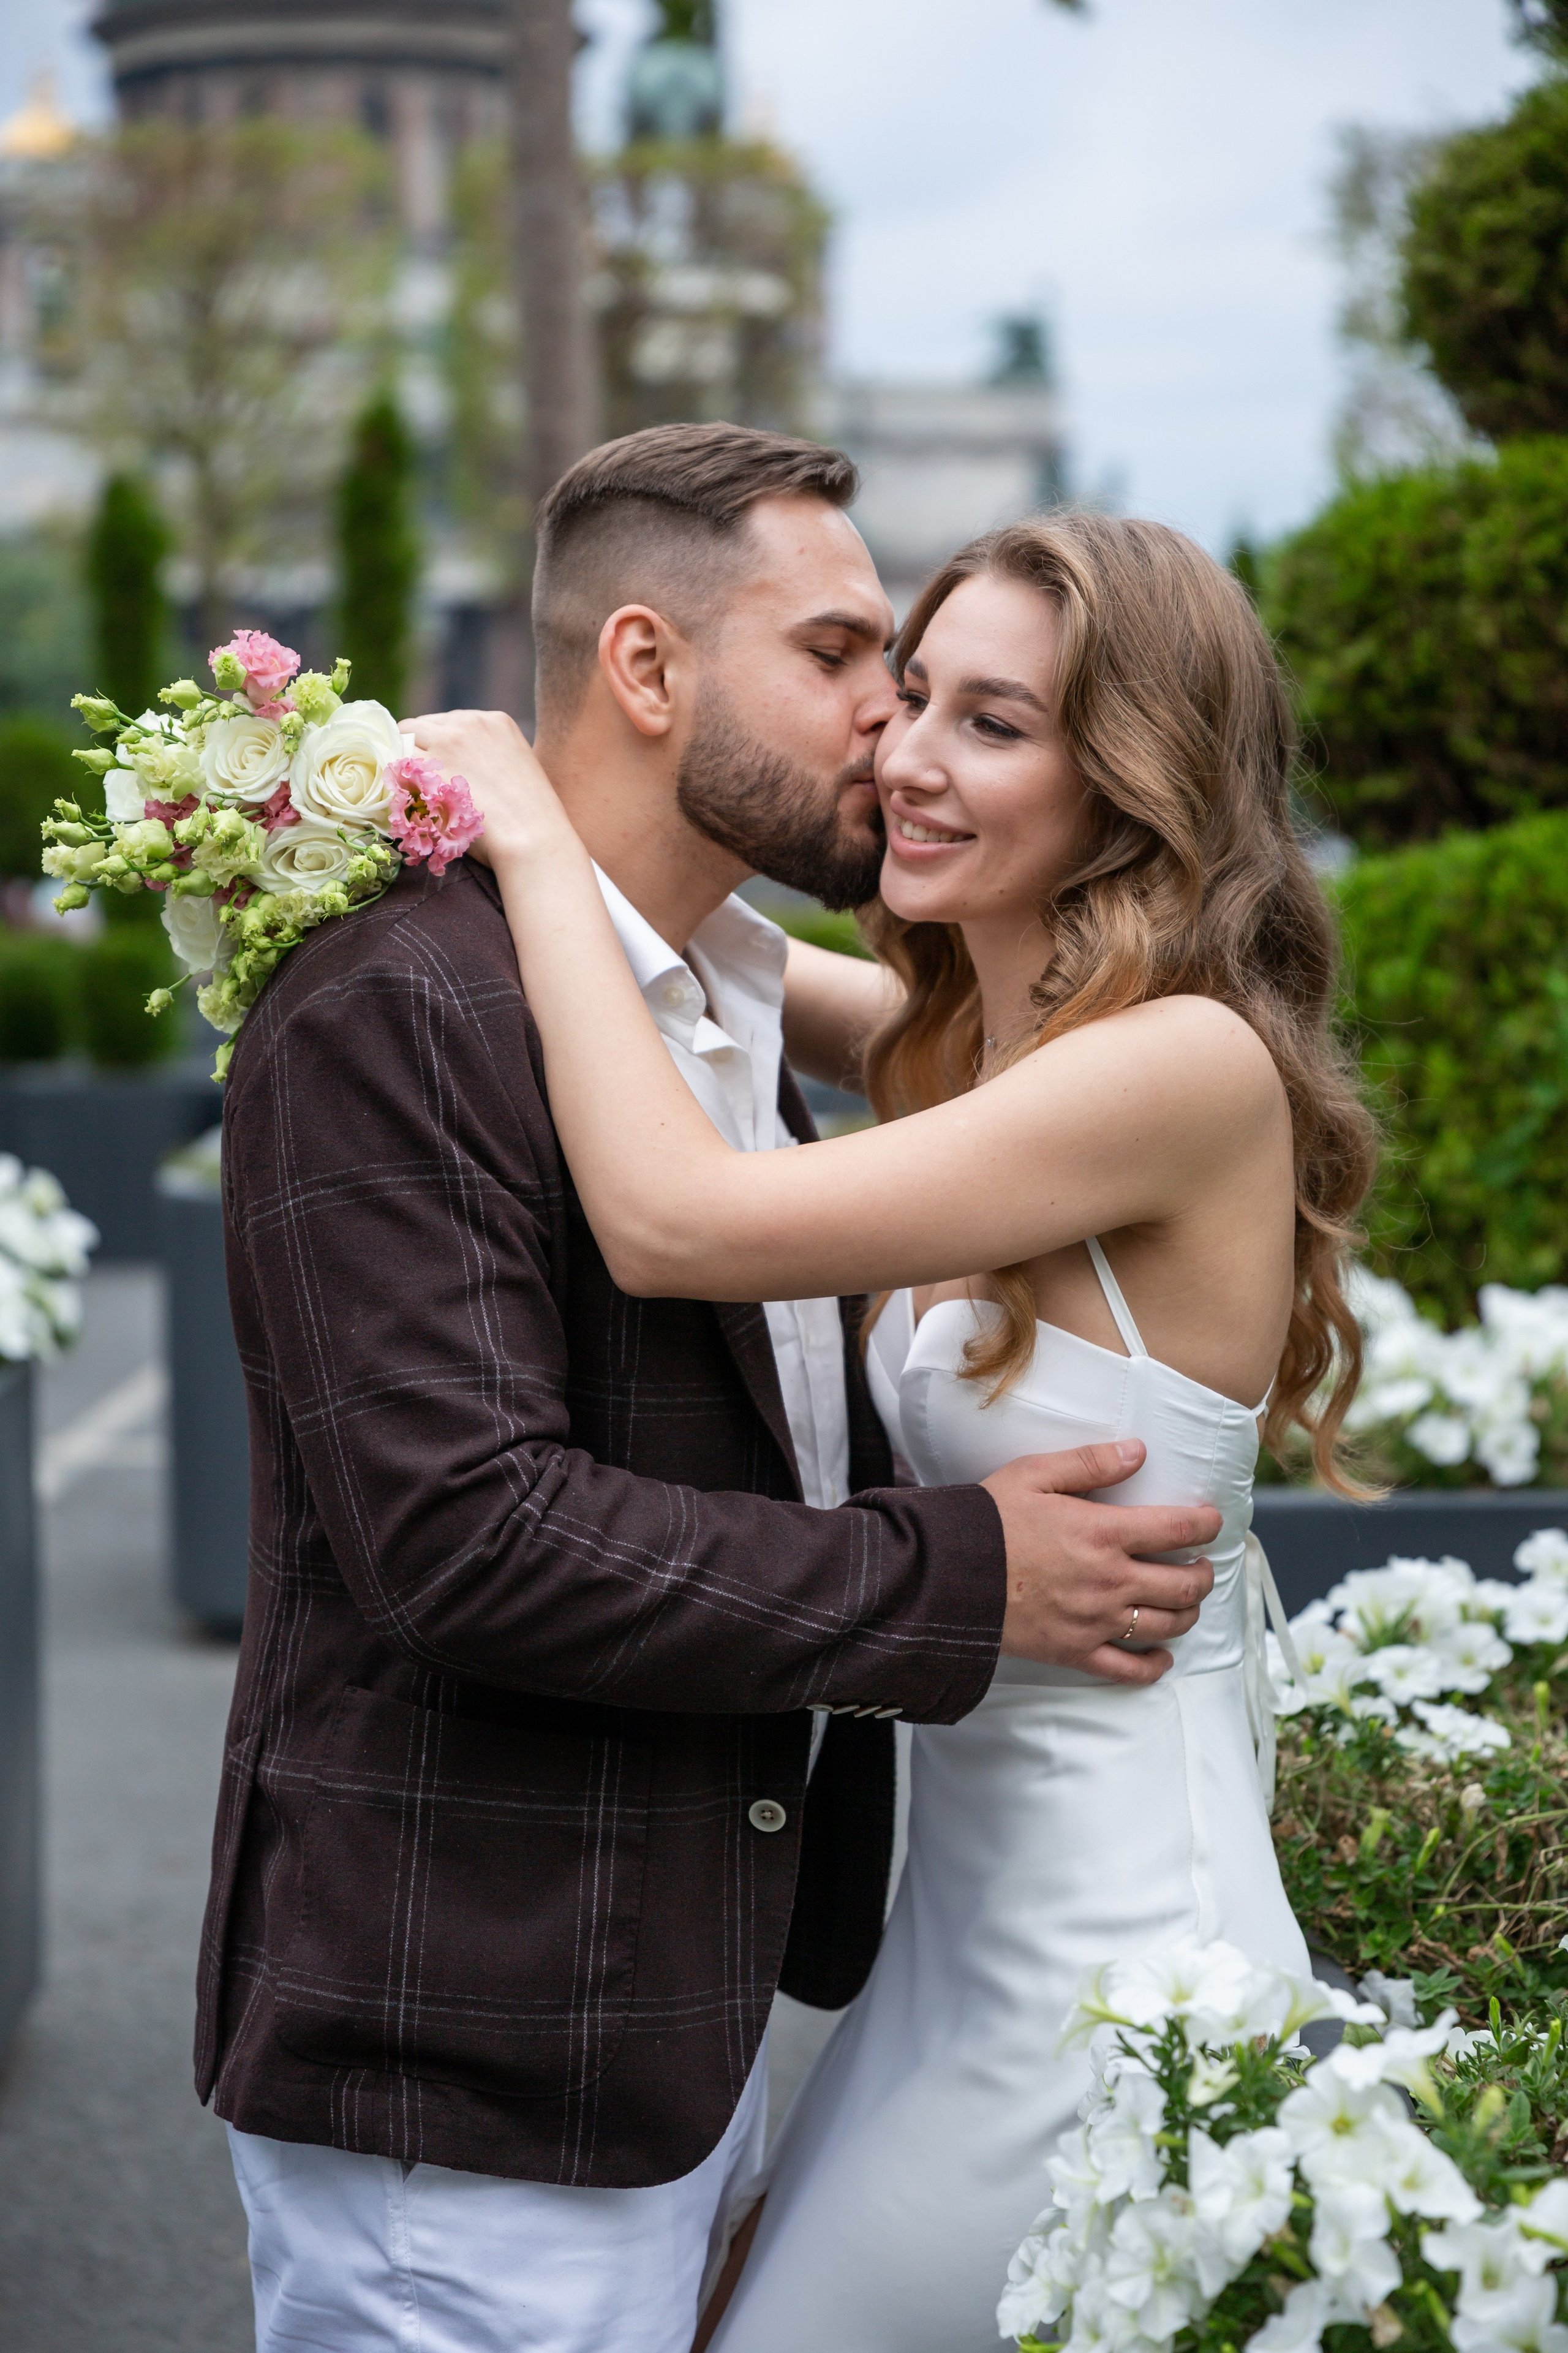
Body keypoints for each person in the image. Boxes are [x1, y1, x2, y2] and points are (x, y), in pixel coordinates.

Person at [206, 424, 1221, 2353]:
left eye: (932, 690)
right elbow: (470, 1540)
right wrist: (958, 1579)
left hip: (675, 2032)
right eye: (846, 658)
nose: (892, 728)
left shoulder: (727, 995)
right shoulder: (399, 1003)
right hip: (470, 2078)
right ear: (651, 669)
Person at [412, 500, 1379, 2352]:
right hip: (949, 1952)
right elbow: (732, 969)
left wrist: (526, 824)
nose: (908, 757)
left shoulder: (1178, 1068)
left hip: (1109, 1956)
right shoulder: (973, 1049)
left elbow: (673, 1216)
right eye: (909, 692)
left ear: (1134, 778)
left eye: (993, 724)